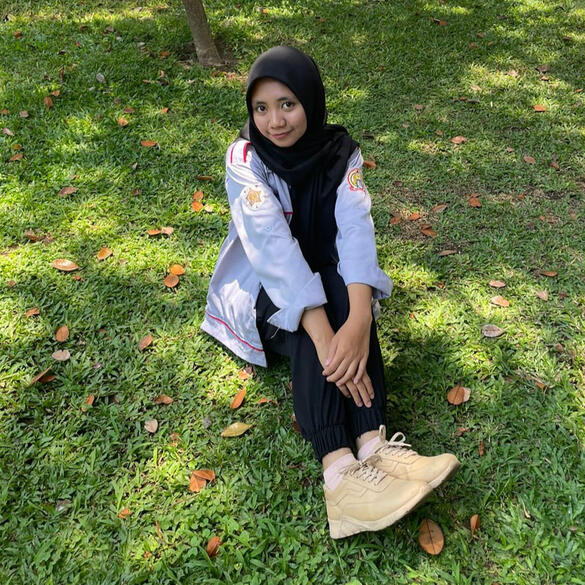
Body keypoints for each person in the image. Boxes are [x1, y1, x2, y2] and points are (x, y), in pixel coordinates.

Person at [201, 46, 459, 539]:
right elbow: (273, 253)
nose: (274, 121)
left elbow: (356, 233)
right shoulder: (245, 158)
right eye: (261, 108)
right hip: (262, 292)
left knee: (342, 291)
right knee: (309, 314)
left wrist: (359, 322)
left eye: (288, 104)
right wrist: (328, 339)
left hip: (324, 278)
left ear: (312, 101)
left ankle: (375, 447)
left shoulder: (341, 153)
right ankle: (340, 477)